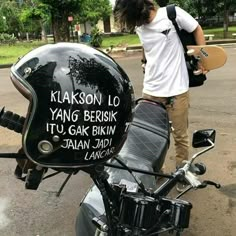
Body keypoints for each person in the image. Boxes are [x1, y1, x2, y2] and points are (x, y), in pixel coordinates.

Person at [114, 0, 206, 191]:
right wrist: (144, 61)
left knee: (180, 136)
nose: (138, 24)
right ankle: (155, 172)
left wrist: (203, 58)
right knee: (149, 137)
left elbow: (197, 29)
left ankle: (182, 174)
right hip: (151, 90)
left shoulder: (173, 14)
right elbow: (146, 46)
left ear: (144, 8)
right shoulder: (139, 25)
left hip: (176, 90)